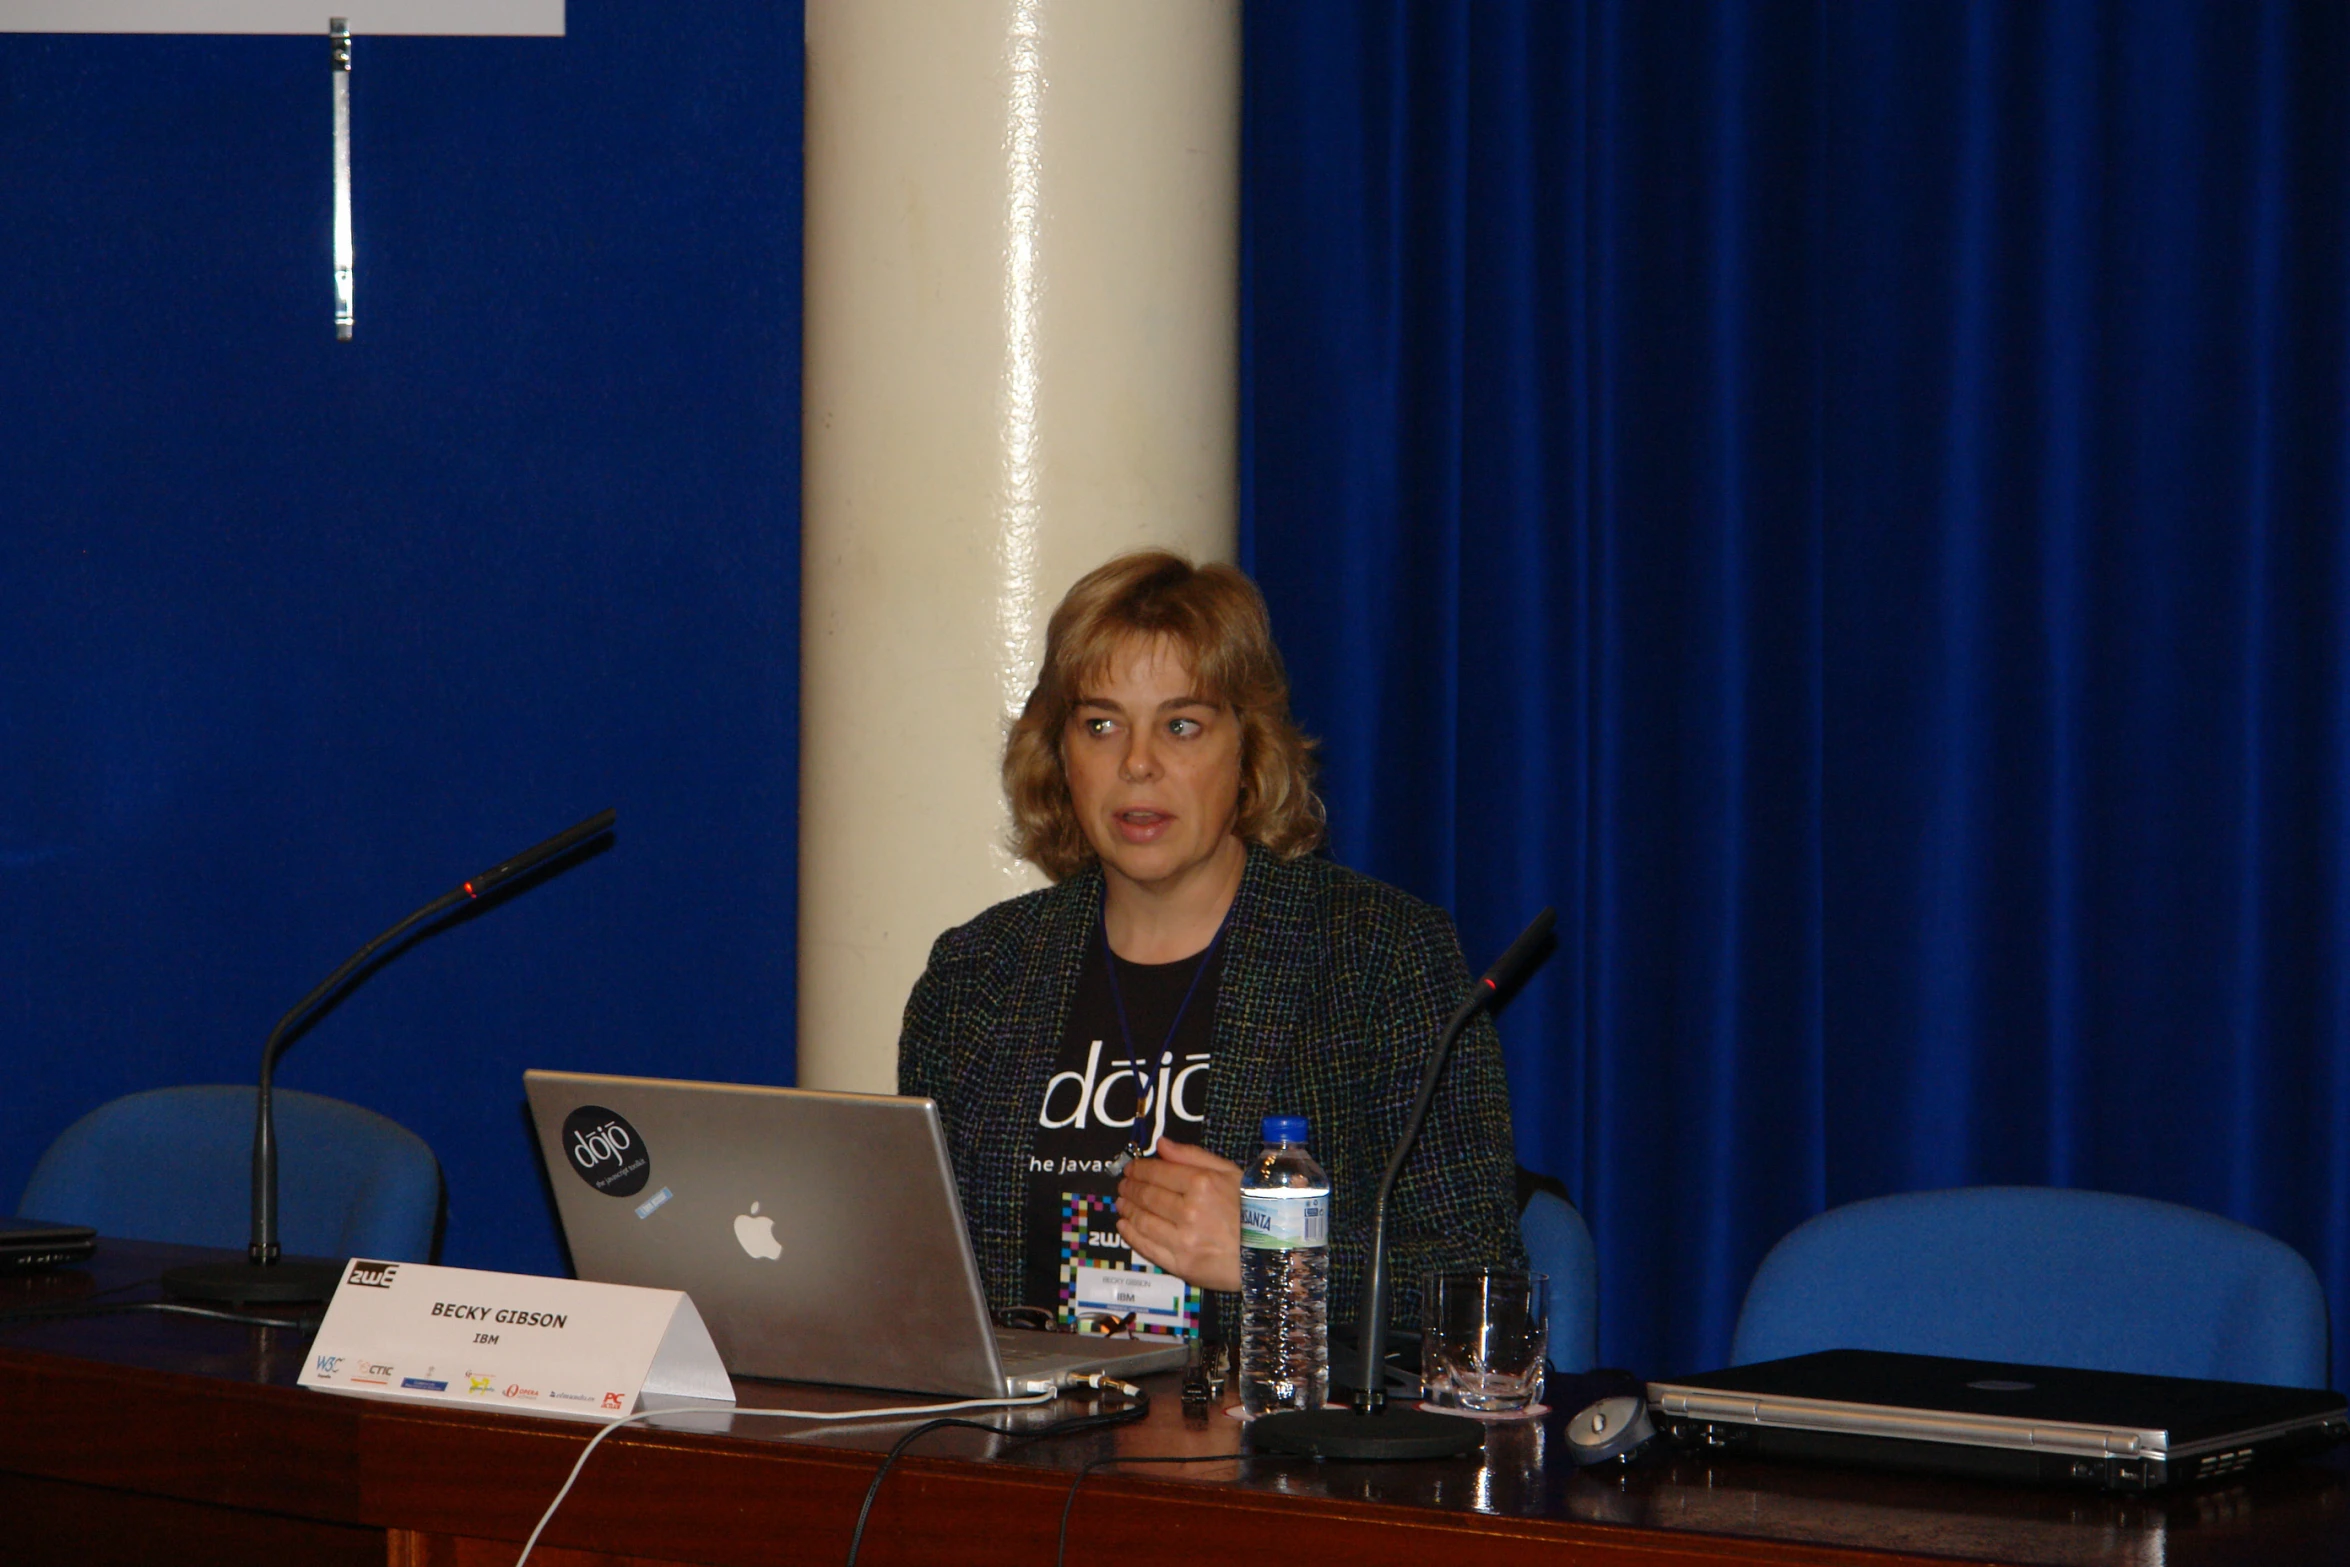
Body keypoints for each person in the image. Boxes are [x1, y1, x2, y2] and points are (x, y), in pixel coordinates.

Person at [898, 549, 1524, 1346]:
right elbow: (919, 1286)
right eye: (1100, 724)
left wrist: (1276, 1253)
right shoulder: (977, 978)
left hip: (1267, 1455)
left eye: (1182, 724)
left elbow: (1480, 1282)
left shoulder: (1379, 957)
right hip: (1026, 1453)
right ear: (1060, 755)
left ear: (1249, 748)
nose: (1137, 763)